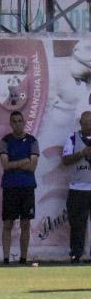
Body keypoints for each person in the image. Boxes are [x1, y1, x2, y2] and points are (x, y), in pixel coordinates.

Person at [0, 111, 39, 264]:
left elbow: (32, 167)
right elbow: (5, 165)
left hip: (27, 187)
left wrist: (14, 163)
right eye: (14, 121)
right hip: (10, 187)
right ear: (11, 123)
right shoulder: (5, 141)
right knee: (8, 223)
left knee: (25, 224)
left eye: (19, 121)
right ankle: (6, 258)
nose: (17, 124)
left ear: (24, 122)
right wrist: (24, 161)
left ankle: (23, 258)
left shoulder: (32, 141)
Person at [60, 110, 91, 263]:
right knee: (77, 224)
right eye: (85, 123)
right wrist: (82, 153)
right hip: (78, 188)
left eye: (90, 123)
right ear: (80, 123)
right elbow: (65, 160)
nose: (88, 126)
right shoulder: (72, 138)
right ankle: (76, 254)